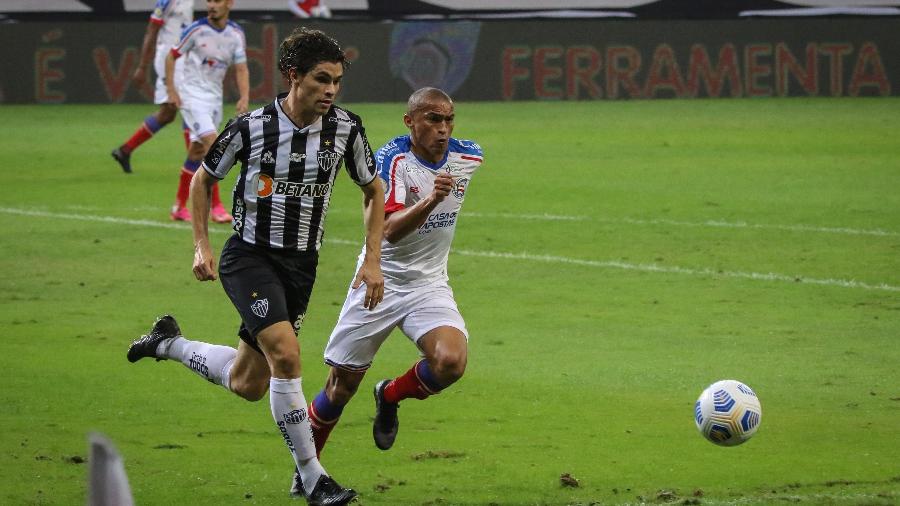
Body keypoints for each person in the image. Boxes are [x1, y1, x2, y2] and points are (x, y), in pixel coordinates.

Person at [126, 27, 385, 505]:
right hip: (249, 257)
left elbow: (373, 190)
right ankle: (313, 478)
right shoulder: (252, 127)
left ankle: (167, 341)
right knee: (286, 356)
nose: (330, 90)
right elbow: (204, 181)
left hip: (301, 266)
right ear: (293, 76)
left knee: (249, 382)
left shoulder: (346, 128)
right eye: (321, 79)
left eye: (337, 82)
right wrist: (201, 245)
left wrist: (372, 260)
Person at [305, 87, 483, 458]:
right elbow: (389, 229)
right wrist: (432, 200)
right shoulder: (391, 159)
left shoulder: (468, 156)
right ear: (410, 121)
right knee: (340, 388)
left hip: (429, 284)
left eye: (449, 119)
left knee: (451, 362)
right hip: (379, 279)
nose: (443, 128)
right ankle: (306, 468)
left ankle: (389, 395)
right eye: (433, 119)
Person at [164, 0, 249, 223]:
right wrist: (172, 90)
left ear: (229, 3)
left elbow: (241, 68)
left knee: (196, 152)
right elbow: (172, 56)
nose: (211, 5)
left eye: (217, 0)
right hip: (192, 98)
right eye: (208, 0)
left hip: (214, 99)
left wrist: (244, 96)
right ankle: (217, 206)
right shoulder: (196, 29)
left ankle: (178, 206)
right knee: (215, 146)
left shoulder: (236, 34)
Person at [110, 0, 193, 174]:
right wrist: (142, 67)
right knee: (187, 106)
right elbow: (152, 29)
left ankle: (125, 150)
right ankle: (195, 165)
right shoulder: (167, 1)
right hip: (169, 59)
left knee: (167, 114)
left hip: (182, 59)